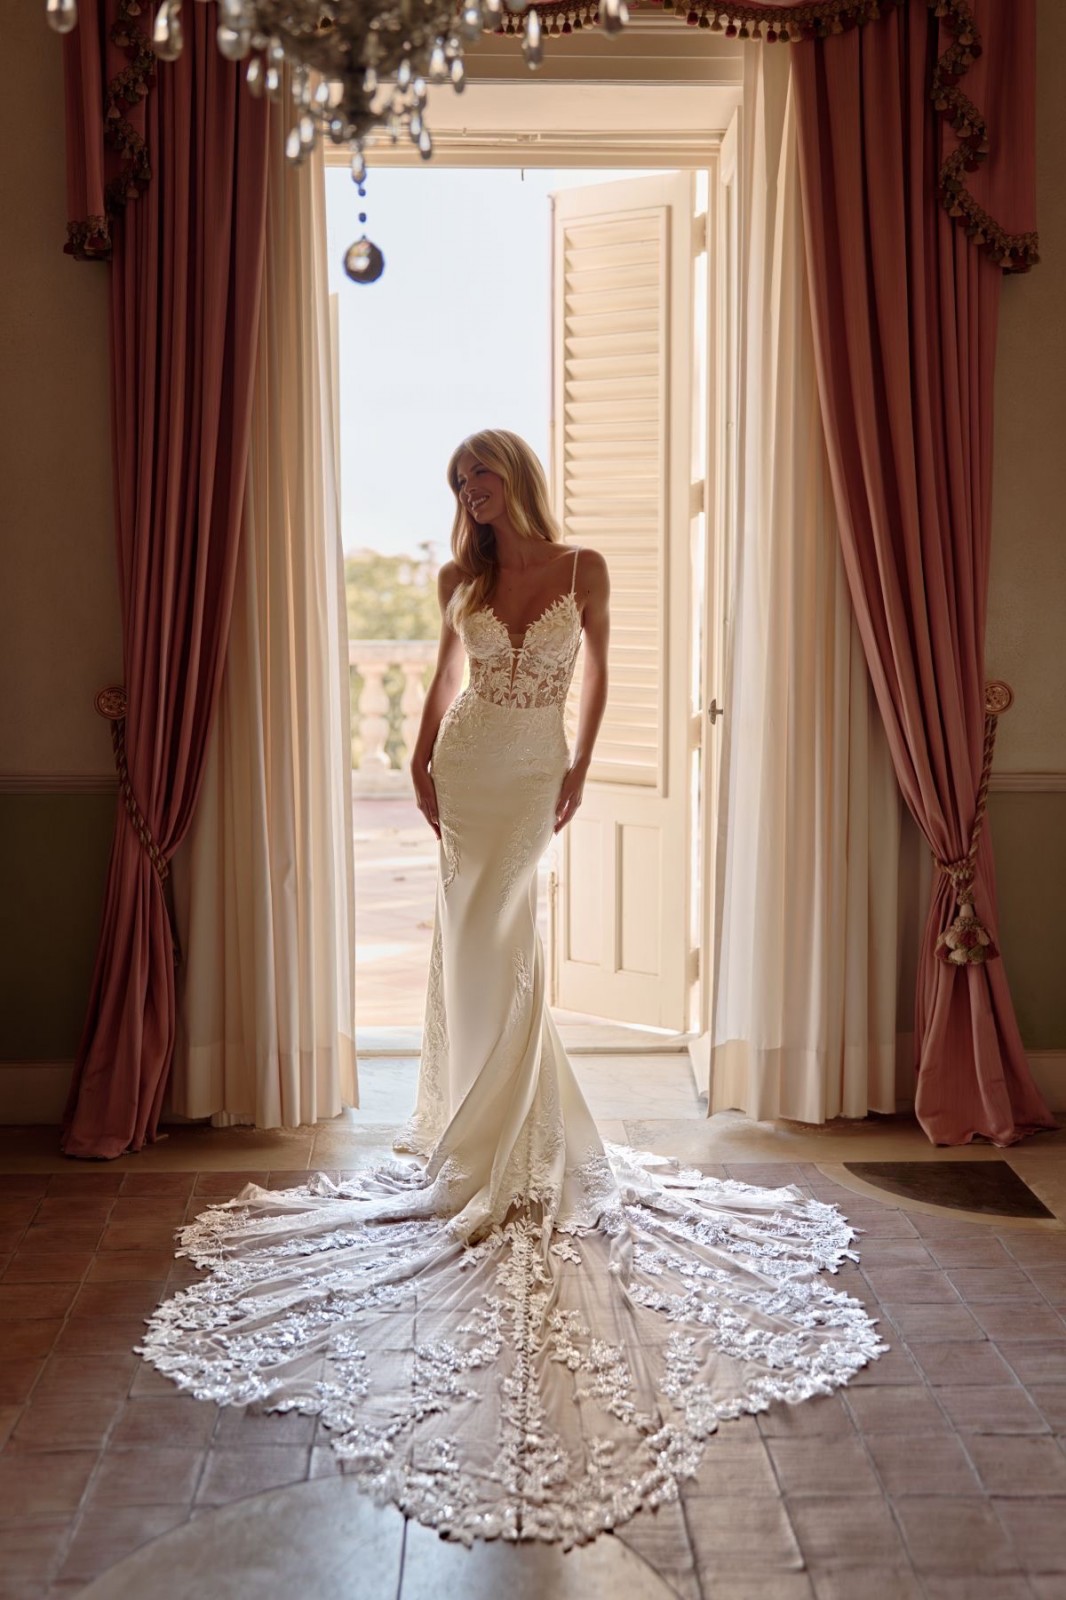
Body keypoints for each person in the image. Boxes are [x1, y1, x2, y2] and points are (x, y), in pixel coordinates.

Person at [137, 429, 885, 1547]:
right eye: (458, 487)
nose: (471, 497)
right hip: (471, 762)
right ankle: (478, 1129)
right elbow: (443, 680)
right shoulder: (459, 579)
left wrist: (582, 764)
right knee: (474, 947)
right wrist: (416, 755)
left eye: (481, 479)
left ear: (514, 478)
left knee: (513, 939)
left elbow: (606, 675)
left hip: (533, 764)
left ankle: (518, 1133)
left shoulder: (583, 567)